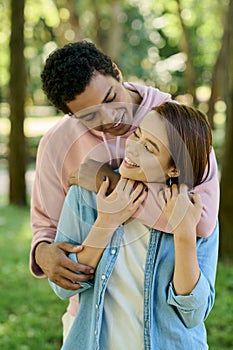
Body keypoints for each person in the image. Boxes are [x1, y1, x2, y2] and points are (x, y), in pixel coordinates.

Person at [30, 41, 219, 338]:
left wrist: (109, 182)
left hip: (164, 325)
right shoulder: (56, 145)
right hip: (91, 321)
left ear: (117, 73)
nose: (111, 119)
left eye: (110, 98)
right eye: (90, 117)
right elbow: (46, 225)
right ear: (71, 115)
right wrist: (43, 253)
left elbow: (202, 219)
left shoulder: (181, 127)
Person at [49, 102, 219, 349]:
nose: (133, 149)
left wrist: (184, 234)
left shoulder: (195, 214)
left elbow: (193, 315)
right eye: (137, 134)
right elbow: (61, 286)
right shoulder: (87, 195)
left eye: (149, 148)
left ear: (174, 168)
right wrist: (106, 222)